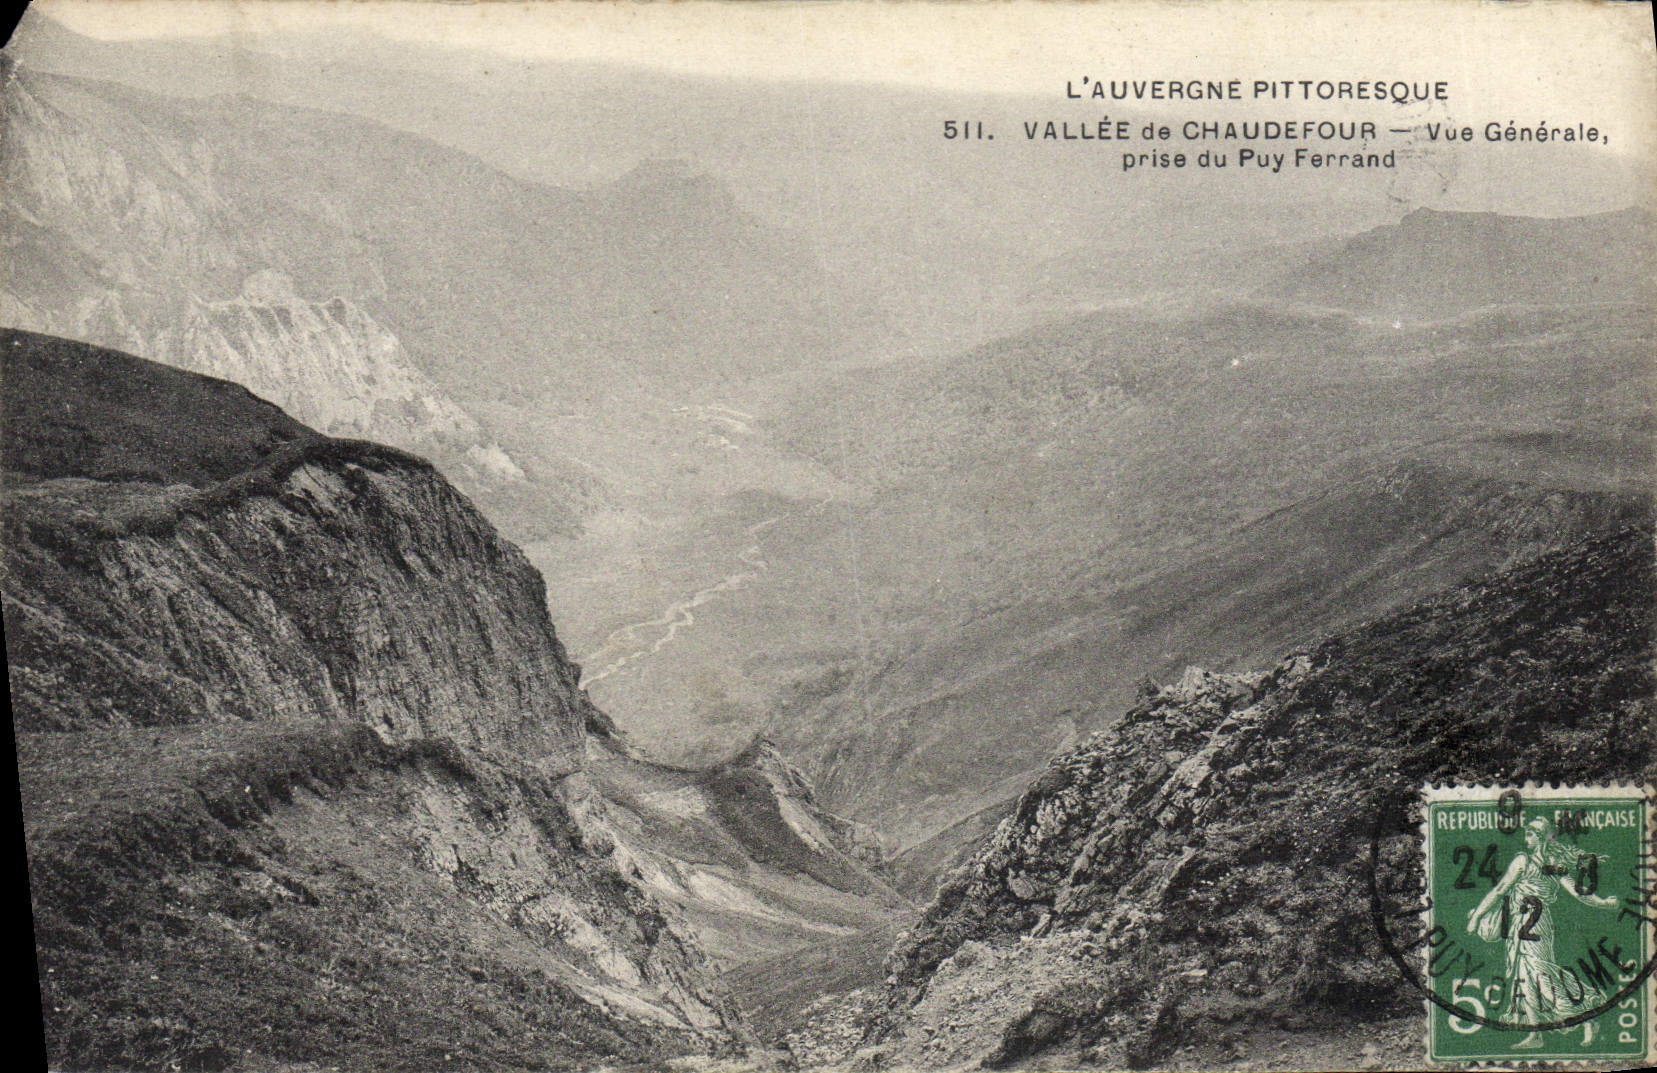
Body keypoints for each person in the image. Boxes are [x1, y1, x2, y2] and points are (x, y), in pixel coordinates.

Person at [1466, 816, 1620, 1049]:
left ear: (1540, 838)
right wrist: (1477, 915)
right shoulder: (1524, 860)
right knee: (1524, 979)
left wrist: (1604, 903)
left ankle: (1588, 1012)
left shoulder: (1548, 863)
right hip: (1519, 925)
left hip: (1537, 927)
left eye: (1529, 835)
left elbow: (1578, 892)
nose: (1525, 839)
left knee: (1543, 977)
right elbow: (1500, 890)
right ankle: (1536, 1034)